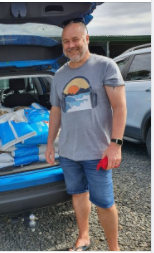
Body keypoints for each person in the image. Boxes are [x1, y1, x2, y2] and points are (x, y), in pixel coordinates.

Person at [45, 20, 126, 251]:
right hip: (69, 152)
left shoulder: (105, 66)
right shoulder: (59, 75)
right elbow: (56, 111)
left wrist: (116, 144)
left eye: (75, 39)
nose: (70, 45)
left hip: (97, 152)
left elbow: (120, 107)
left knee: (104, 202)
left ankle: (114, 248)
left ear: (86, 39)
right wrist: (50, 143)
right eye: (66, 41)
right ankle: (84, 237)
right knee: (78, 194)